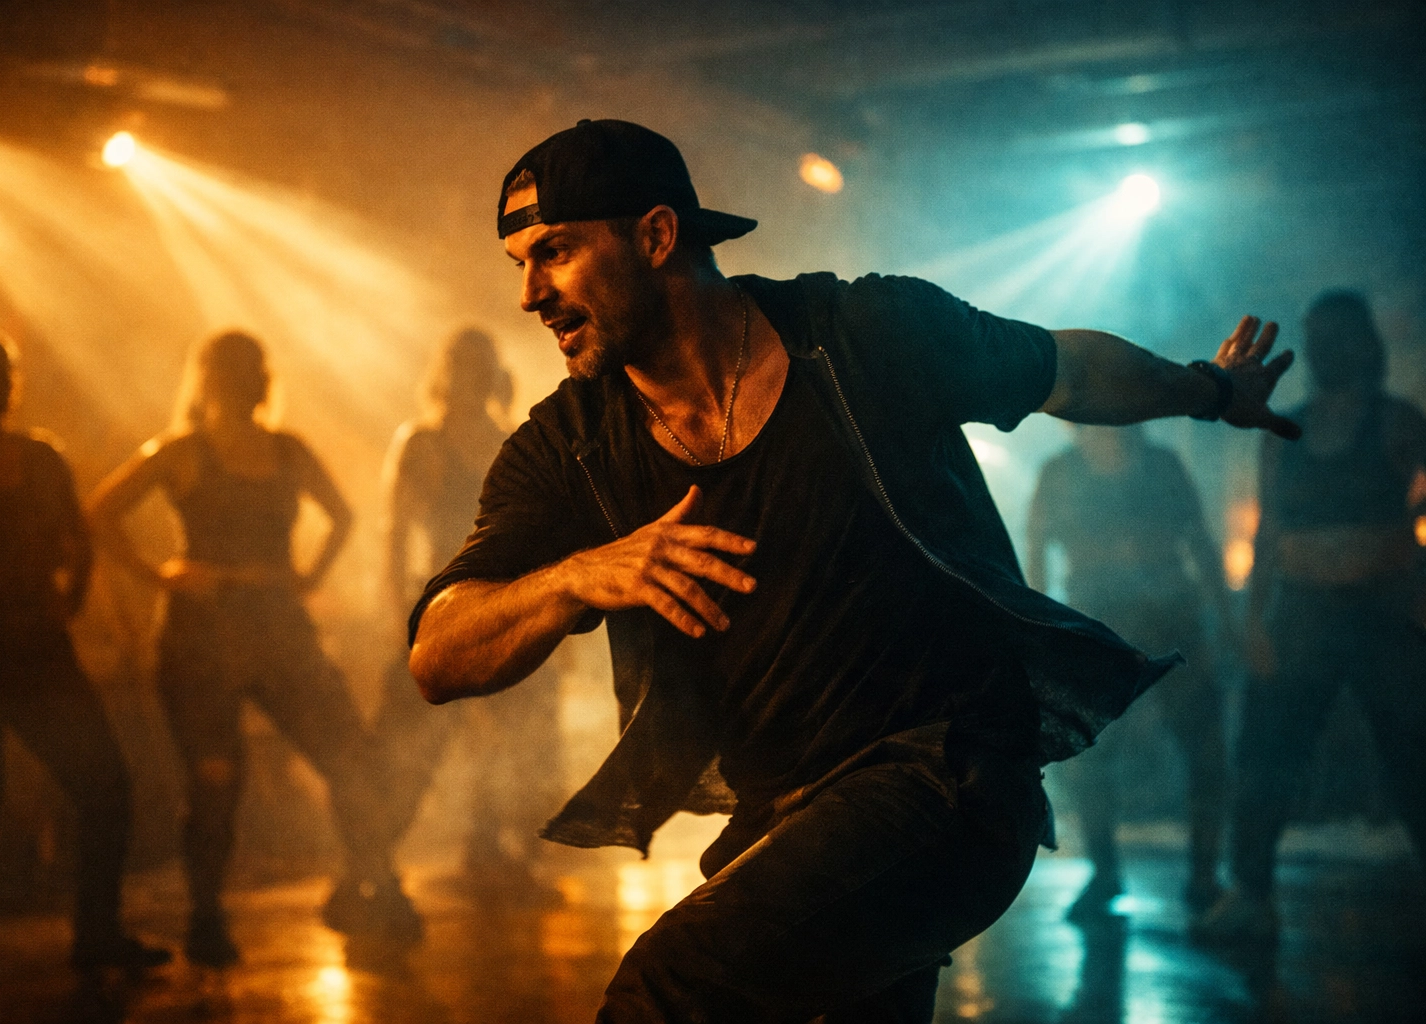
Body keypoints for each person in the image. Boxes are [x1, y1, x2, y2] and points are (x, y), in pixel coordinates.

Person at [406, 119, 1299, 1022]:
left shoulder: (864, 334)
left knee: (665, 991)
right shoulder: (569, 450)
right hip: (783, 819)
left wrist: (1214, 391)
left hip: (949, 781)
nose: (529, 295)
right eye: (518, 262)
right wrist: (575, 576)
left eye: (553, 252)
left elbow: (1065, 369)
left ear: (657, 235)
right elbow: (437, 654)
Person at [88, 331, 412, 968]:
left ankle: (370, 883)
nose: (243, 382)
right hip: (202, 635)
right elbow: (101, 511)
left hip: (276, 626)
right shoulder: (184, 452)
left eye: (249, 371)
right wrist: (161, 574)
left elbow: (344, 516)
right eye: (233, 372)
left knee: (347, 753)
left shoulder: (285, 452)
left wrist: (307, 578)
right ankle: (207, 918)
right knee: (216, 780)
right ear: (212, 380)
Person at [0, 332, 170, 1001]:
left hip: (32, 652)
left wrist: (67, 597)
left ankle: (94, 932)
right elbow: (78, 541)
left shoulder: (42, 459)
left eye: (0, 376)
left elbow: (78, 536)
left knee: (101, 786)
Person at [1196, 290, 1426, 943]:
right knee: (1266, 751)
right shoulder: (1282, 430)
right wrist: (1256, 621)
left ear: (1364, 343)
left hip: (1383, 605)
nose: (1325, 348)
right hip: (1301, 608)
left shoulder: (1398, 420)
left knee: (1416, 751)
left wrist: (1417, 588)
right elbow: (1269, 530)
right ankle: (1250, 893)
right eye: (1314, 335)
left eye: (1337, 335)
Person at [373, 327, 565, 896]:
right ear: (443, 371)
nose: (468, 375)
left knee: (509, 742)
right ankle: (370, 865)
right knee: (412, 751)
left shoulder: (510, 440)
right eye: (459, 363)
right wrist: (397, 622)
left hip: (507, 604)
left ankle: (488, 854)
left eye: (478, 363)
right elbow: (394, 537)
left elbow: (540, 534)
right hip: (441, 607)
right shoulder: (422, 443)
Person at [1027, 423, 1229, 919]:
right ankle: (1105, 870)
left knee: (1203, 744)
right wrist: (1038, 628)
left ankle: (1203, 874)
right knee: (1089, 753)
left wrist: (1224, 621)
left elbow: (1200, 541)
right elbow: (1036, 549)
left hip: (1173, 618)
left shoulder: (1161, 464)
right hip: (1099, 623)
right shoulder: (1059, 473)